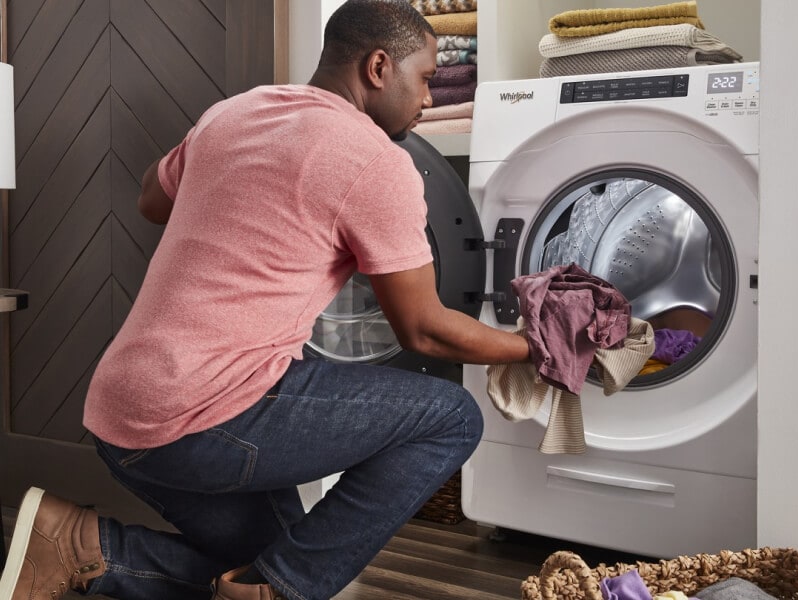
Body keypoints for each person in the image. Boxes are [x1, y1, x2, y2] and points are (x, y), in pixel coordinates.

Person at [0, 1, 529, 599]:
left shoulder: (238, 111)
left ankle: (77, 545)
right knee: (451, 417)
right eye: (427, 78)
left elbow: (151, 198)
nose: (429, 99)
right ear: (379, 66)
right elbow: (424, 332)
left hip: (121, 410)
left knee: (271, 562)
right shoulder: (377, 160)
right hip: (197, 418)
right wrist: (532, 348)